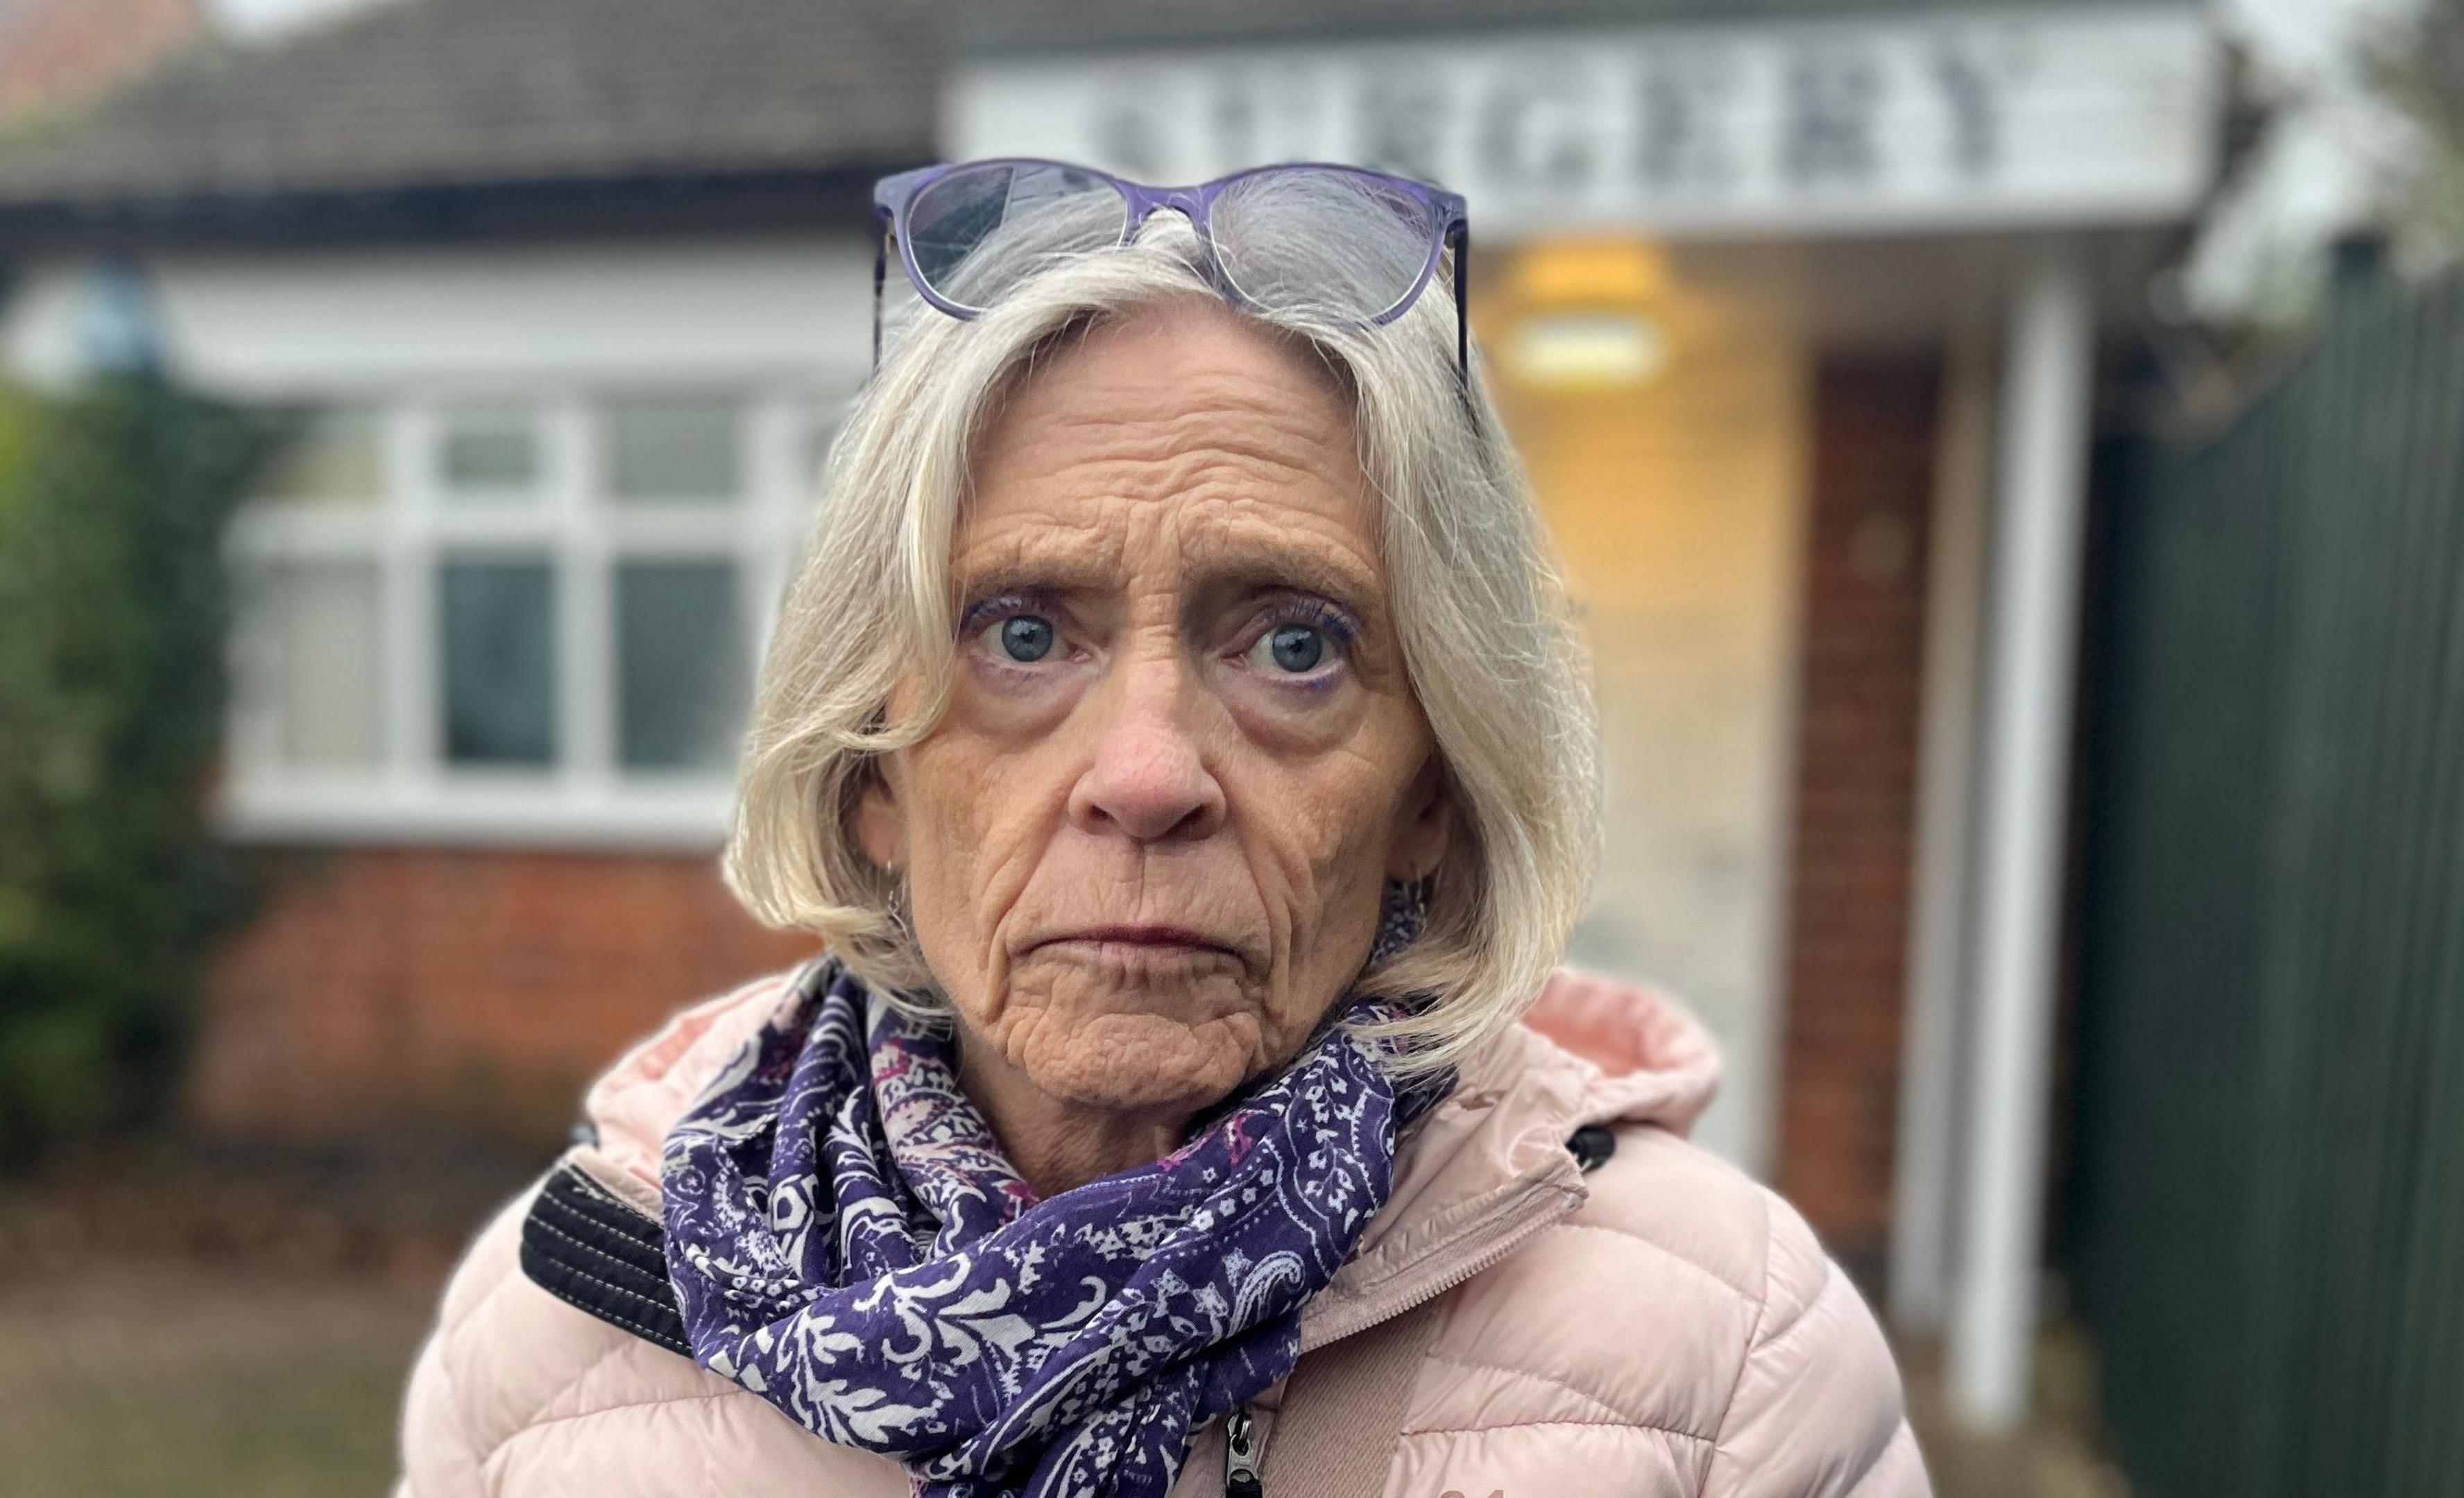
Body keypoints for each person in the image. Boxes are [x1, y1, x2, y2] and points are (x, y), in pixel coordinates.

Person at [395, 161, 1928, 1498]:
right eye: (1017, 633)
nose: (1145, 775)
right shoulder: (555, 1340)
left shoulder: (1729, 1361)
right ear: (869, 765)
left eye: (1295, 645)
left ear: (1432, 791)